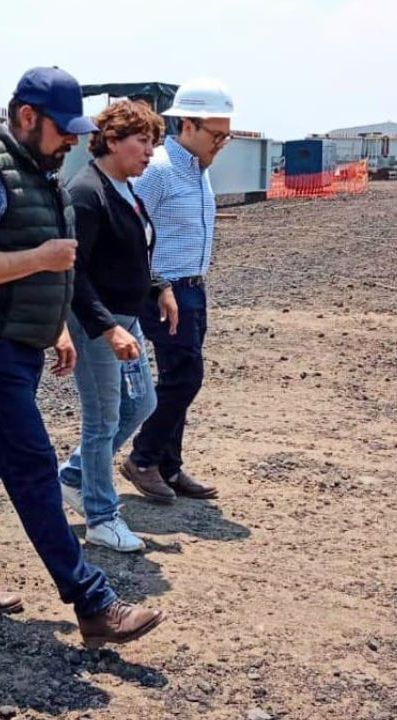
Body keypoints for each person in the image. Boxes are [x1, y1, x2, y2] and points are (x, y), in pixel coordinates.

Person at [0, 67, 164, 648]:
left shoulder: (40, 172)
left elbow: (50, 266)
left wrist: (57, 324)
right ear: (28, 117)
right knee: (32, 464)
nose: (72, 142)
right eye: (64, 130)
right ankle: (94, 602)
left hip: (12, 341)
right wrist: (40, 259)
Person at [58, 100, 178, 552]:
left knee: (142, 404)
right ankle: (101, 519)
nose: (149, 152)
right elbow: (75, 273)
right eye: (141, 141)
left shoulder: (127, 188)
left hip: (126, 321)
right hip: (97, 326)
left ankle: (73, 477)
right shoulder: (87, 193)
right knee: (103, 419)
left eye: (153, 142)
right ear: (111, 140)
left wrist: (158, 286)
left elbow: (132, 256)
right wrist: (107, 328)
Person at [123, 78, 232, 503]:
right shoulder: (160, 170)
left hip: (193, 288)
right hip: (163, 290)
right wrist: (154, 283)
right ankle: (143, 459)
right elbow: (128, 222)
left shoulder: (199, 171)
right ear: (187, 125)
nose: (221, 143)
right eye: (215, 135)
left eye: (226, 135)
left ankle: (168, 465)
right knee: (185, 377)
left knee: (178, 377)